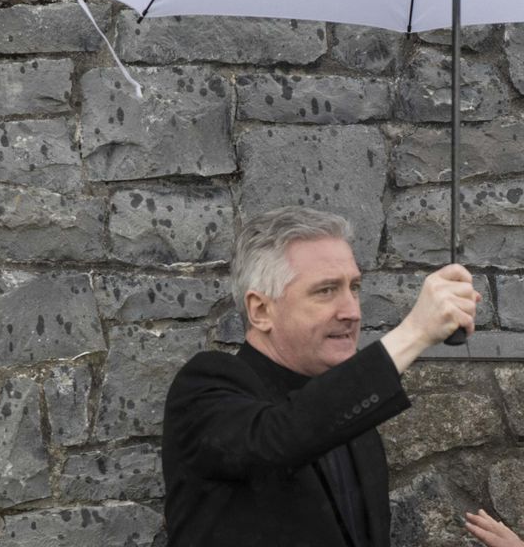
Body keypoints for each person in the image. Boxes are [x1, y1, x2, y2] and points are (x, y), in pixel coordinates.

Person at [162, 206, 481, 547]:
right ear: (261, 310)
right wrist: (415, 332)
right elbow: (279, 438)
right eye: (326, 291)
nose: (352, 312)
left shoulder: (354, 419)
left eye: (354, 287)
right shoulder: (205, 388)